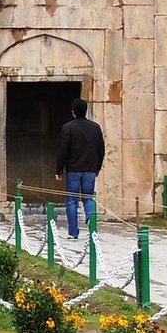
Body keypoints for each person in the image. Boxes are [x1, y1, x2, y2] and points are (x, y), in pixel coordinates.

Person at [54, 97, 104, 239]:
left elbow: (63, 151)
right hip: (90, 169)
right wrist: (97, 167)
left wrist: (59, 170)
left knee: (72, 200)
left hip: (73, 170)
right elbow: (101, 149)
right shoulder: (95, 128)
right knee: (88, 198)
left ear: (73, 112)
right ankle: (90, 220)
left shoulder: (68, 128)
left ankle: (73, 232)